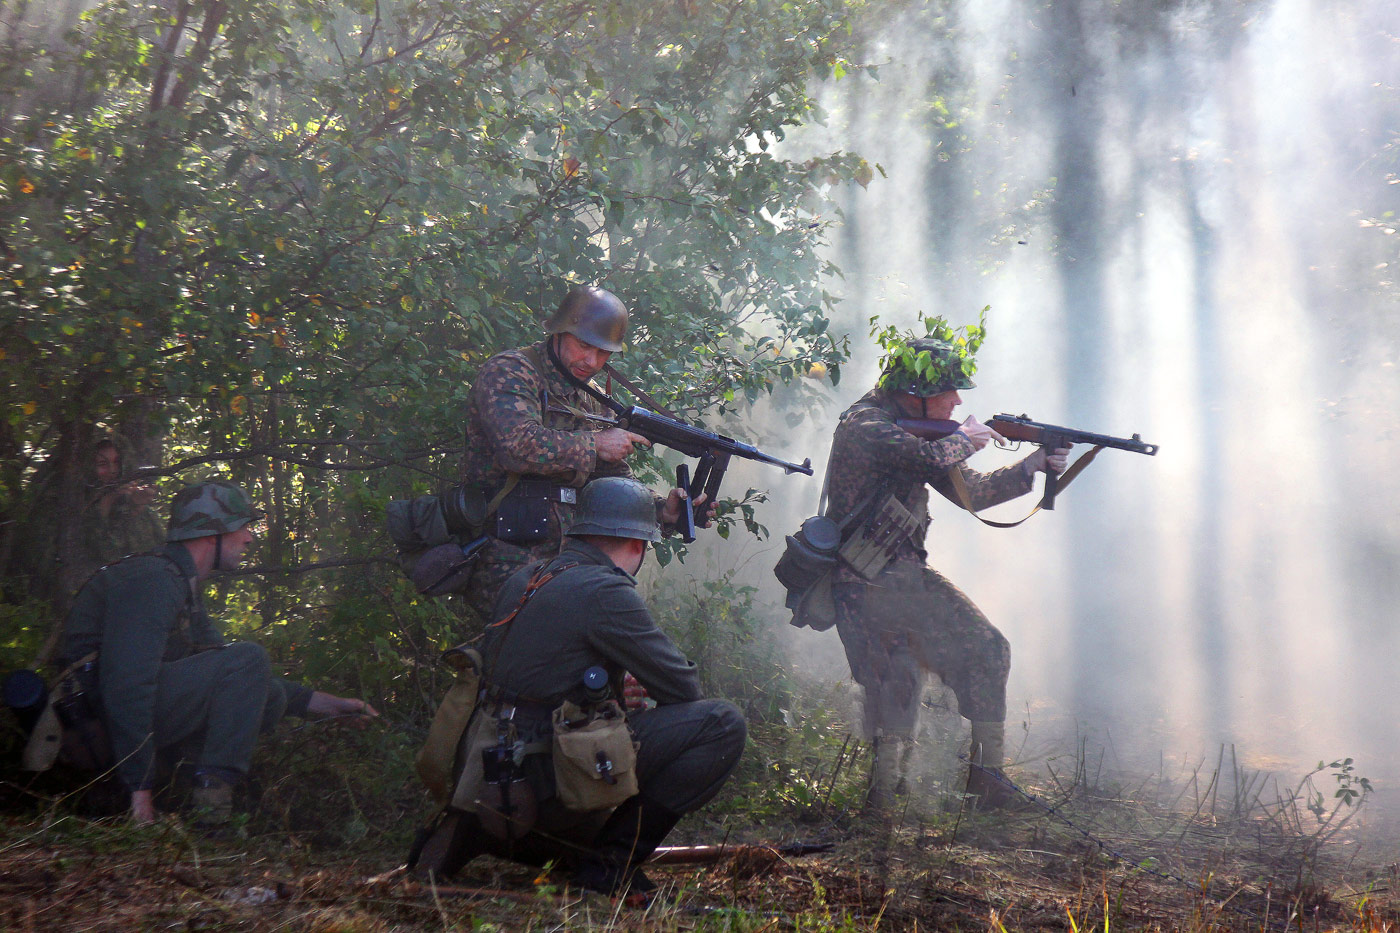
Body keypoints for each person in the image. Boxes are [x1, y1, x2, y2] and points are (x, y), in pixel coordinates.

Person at [412, 477, 746, 898]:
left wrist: (618, 689)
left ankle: (478, 831)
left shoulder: (527, 577)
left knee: (578, 814)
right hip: (544, 777)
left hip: (487, 775)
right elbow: (685, 690)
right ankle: (611, 865)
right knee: (722, 724)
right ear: (638, 545)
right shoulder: (605, 590)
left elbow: (546, 677)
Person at [823, 330, 1069, 809]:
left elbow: (971, 492)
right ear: (915, 394)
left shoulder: (923, 435)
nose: (957, 401)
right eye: (948, 391)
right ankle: (885, 799)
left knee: (986, 649)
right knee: (895, 679)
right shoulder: (865, 424)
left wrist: (1034, 464)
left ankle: (986, 784)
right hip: (863, 579)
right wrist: (968, 440)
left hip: (901, 575)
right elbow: (927, 454)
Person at [57, 480, 379, 825]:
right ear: (212, 534)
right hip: (94, 728)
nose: (250, 537)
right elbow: (126, 687)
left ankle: (190, 789)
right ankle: (211, 810)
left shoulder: (179, 582)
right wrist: (140, 794)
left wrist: (330, 706)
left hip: (114, 723)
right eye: (243, 526)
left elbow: (242, 680)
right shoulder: (153, 579)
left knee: (265, 693)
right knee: (249, 658)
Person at [449, 285, 701, 624]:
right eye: (584, 345)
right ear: (559, 331)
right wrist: (596, 444)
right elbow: (516, 446)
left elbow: (611, 479)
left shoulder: (591, 396)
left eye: (603, 353)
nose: (591, 362)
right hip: (506, 551)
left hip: (573, 556)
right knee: (526, 654)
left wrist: (661, 510)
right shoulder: (512, 371)